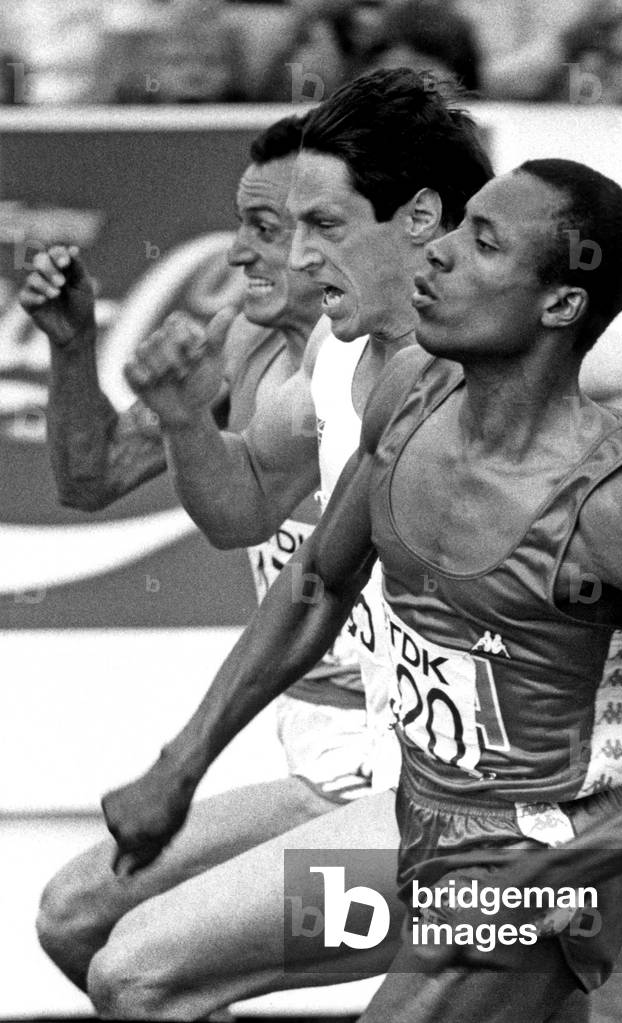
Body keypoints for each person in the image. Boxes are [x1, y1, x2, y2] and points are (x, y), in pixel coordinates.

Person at [34, 71, 622, 1022]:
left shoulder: (577, 412)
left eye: (318, 225)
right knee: (87, 929)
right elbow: (300, 565)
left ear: (419, 219)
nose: (286, 256)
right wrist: (181, 760)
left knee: (138, 972)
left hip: (515, 834)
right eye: (280, 226)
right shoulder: (371, 380)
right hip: (419, 798)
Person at [20, 114, 378, 992]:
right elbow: (93, 477)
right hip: (322, 757)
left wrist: (182, 762)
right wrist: (73, 346)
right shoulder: (242, 340)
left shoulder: (400, 371)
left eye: (265, 228)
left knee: (126, 959)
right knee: (85, 927)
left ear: (334, 235)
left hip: (406, 772)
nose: (238, 252)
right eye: (240, 223)